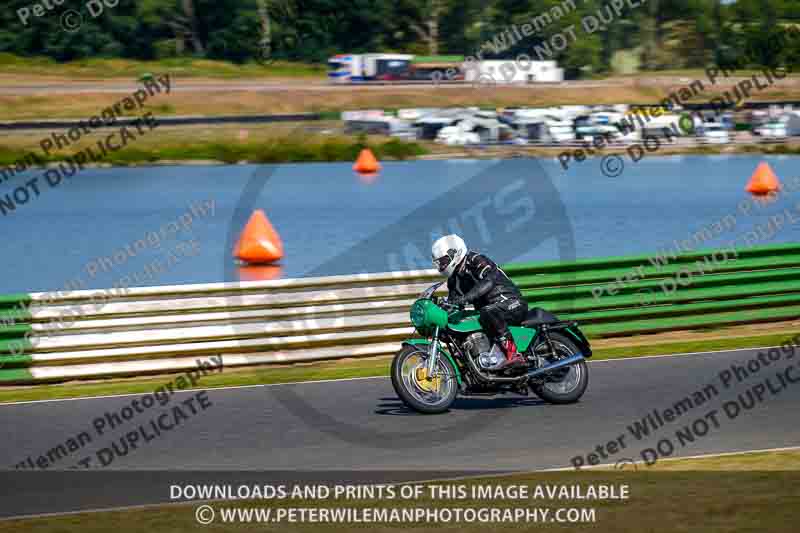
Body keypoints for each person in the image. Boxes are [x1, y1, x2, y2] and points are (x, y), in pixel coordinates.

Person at [431, 234, 528, 371]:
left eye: (444, 261)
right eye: (439, 263)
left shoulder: (476, 260)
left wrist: (466, 298)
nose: (442, 265)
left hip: (512, 303)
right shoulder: (454, 280)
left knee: (488, 310)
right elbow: (453, 303)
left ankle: (514, 354)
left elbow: (488, 281)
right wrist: (439, 309)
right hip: (488, 315)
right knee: (456, 324)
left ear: (455, 253)